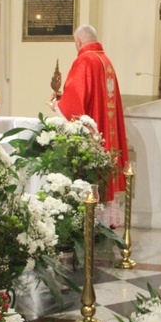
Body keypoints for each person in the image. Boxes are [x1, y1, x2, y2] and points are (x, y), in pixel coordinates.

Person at [54, 24, 130, 217]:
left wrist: (58, 103)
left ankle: (91, 218)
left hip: (95, 132)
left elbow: (75, 97)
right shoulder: (105, 60)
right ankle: (107, 218)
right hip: (106, 125)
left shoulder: (85, 60)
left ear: (78, 41)